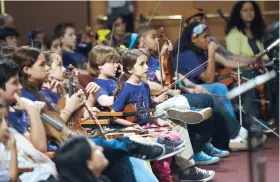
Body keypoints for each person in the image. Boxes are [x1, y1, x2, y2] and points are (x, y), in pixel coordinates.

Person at [225, 1, 276, 131]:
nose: (249, 13)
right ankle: (253, 120)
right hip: (241, 67)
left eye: (251, 10)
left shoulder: (256, 31)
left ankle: (273, 116)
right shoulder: (234, 33)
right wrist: (253, 60)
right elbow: (233, 56)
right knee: (249, 77)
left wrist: (265, 61)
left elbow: (262, 54)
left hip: (258, 66)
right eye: (245, 10)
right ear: (239, 13)